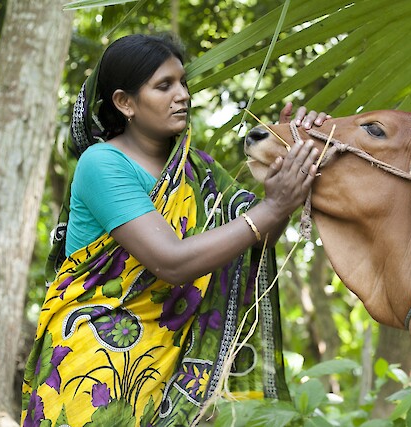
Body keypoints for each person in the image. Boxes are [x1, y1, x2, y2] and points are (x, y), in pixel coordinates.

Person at [21, 33, 327, 427]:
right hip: (93, 370)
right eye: (163, 85)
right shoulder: (102, 164)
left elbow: (257, 237)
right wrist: (273, 207)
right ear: (124, 102)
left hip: (172, 373)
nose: (181, 94)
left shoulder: (196, 170)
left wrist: (286, 153)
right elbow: (171, 261)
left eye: (182, 82)